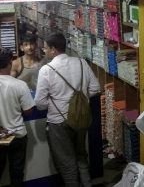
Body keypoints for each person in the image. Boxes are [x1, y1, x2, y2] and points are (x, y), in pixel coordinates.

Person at [34, 33, 100, 187]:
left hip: (59, 122)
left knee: (67, 163)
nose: (44, 51)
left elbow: (40, 103)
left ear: (53, 49)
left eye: (45, 48)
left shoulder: (47, 69)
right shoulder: (82, 62)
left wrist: (59, 102)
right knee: (81, 155)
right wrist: (79, 100)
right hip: (81, 117)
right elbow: (96, 88)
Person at [0, 48, 35, 187]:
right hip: (17, 135)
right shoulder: (19, 85)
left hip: (1, 136)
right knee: (17, 172)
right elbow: (28, 111)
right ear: (9, 64)